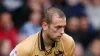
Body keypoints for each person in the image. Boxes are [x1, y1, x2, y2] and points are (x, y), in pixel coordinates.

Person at [9, 7, 75, 56]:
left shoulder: (68, 42)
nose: (62, 32)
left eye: (63, 27)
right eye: (58, 27)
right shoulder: (24, 49)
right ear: (45, 26)